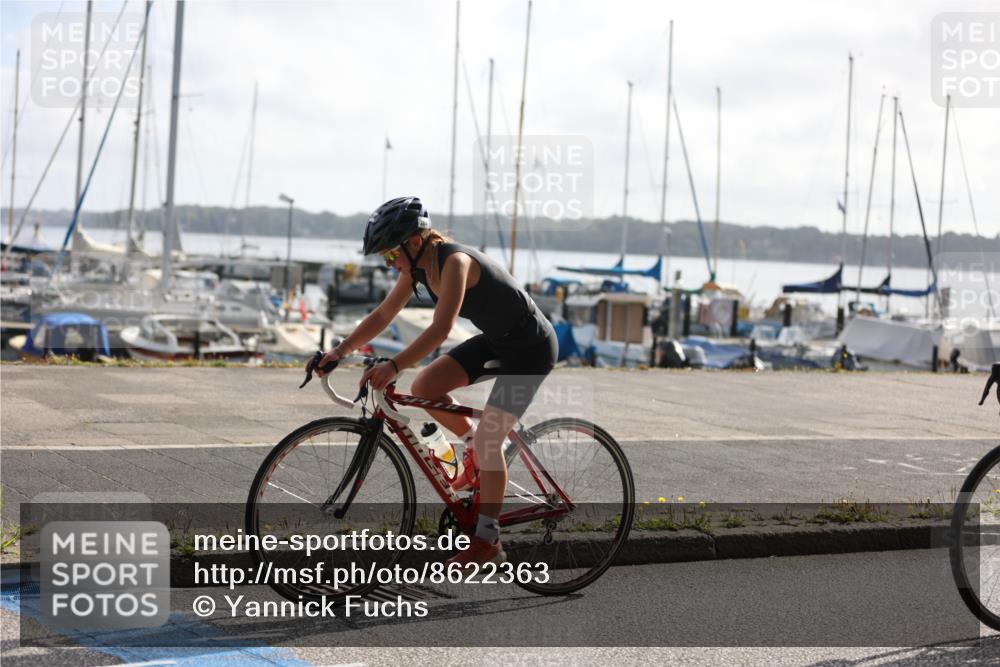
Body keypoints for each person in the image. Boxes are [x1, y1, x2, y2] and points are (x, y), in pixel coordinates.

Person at [316, 196, 557, 566]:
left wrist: (394, 365)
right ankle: (474, 450)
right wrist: (341, 350)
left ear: (414, 242)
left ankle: (488, 540)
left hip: (531, 349)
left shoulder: (456, 262)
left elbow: (442, 328)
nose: (389, 262)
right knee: (425, 387)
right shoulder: (415, 268)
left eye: (390, 254)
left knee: (492, 436)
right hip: (497, 340)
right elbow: (384, 313)